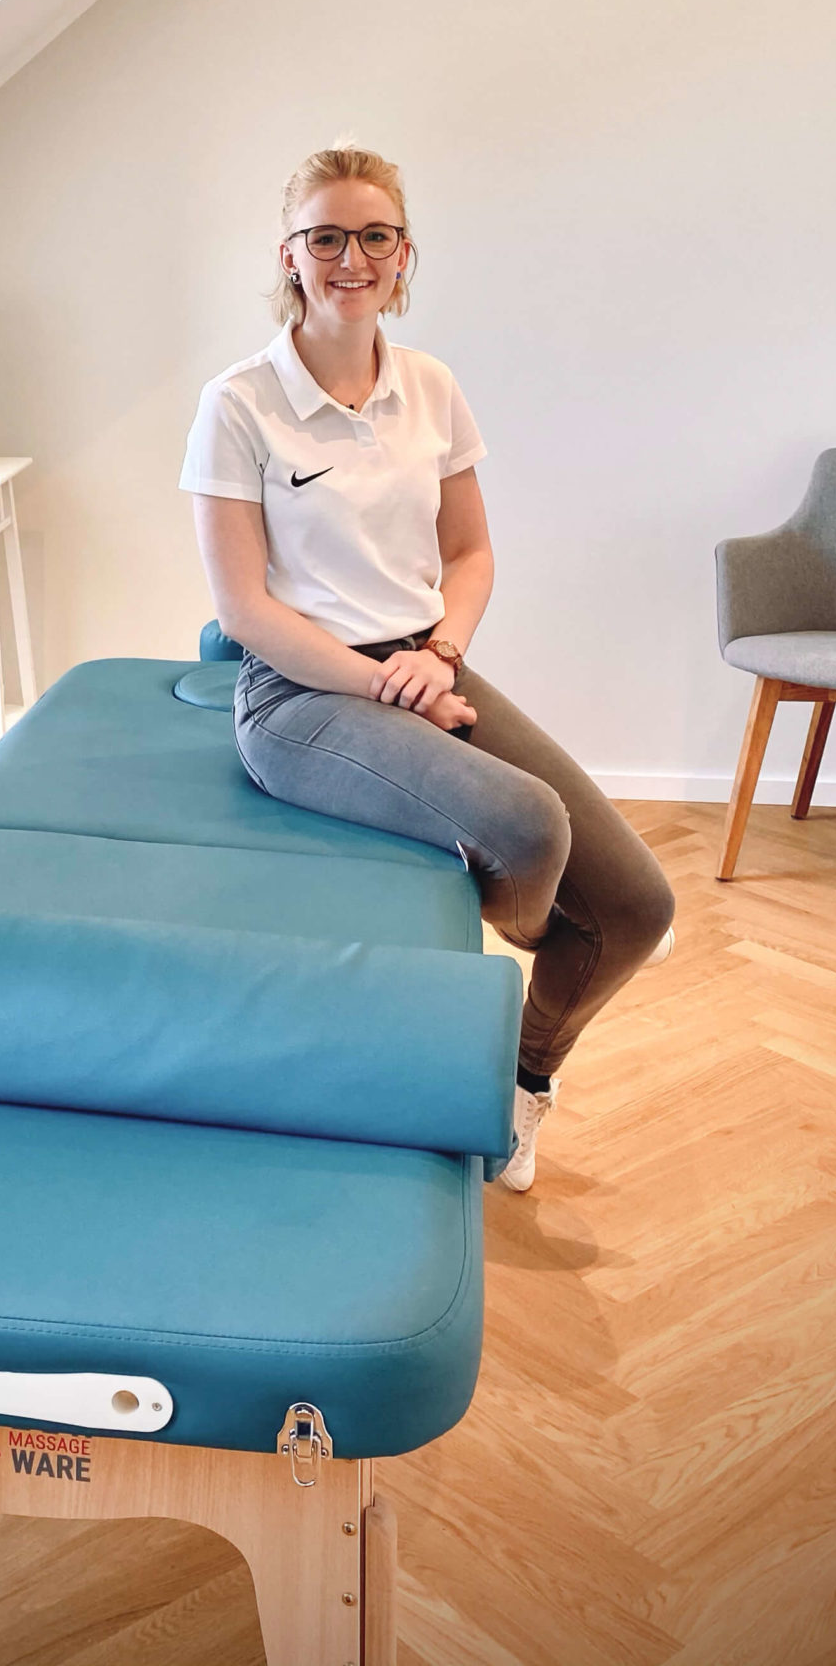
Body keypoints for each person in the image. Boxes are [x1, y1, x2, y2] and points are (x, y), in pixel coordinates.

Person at [181, 143, 674, 1192]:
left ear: (404, 254)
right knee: (531, 827)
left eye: (375, 236)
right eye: (325, 237)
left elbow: (470, 554)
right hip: (300, 694)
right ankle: (534, 944)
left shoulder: (431, 387)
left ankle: (522, 1083)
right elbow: (244, 610)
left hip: (423, 661)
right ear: (289, 254)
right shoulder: (238, 403)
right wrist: (382, 685)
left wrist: (439, 655)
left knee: (640, 906)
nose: (350, 258)